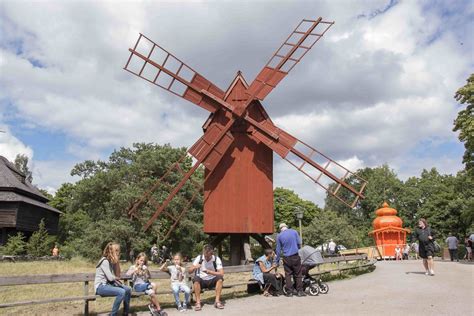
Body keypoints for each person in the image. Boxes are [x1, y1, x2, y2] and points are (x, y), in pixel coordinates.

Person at [94, 242, 131, 316]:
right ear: (110, 251)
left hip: (108, 285)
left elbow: (118, 275)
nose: (118, 253)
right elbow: (111, 278)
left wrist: (116, 262)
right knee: (121, 292)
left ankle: (125, 313)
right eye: (116, 250)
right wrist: (116, 278)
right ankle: (113, 314)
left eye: (119, 250)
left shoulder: (112, 261)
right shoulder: (104, 261)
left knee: (128, 289)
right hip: (101, 287)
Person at [189, 244, 225, 311]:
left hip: (212, 279)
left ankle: (217, 301)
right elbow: (189, 271)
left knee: (220, 279)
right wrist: (194, 267)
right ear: (203, 252)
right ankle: (198, 303)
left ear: (212, 254)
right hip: (201, 279)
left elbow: (222, 273)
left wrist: (209, 272)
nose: (206, 258)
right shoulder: (199, 258)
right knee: (196, 279)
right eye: (205, 256)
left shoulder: (216, 259)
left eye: (208, 256)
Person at [275, 223, 306, 297]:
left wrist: (277, 261)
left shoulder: (279, 236)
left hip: (286, 257)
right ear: (286, 227)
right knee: (298, 274)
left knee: (288, 274)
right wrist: (296, 249)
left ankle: (290, 292)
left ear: (280, 229)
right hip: (295, 256)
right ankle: (300, 291)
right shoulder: (294, 232)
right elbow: (299, 243)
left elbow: (278, 250)